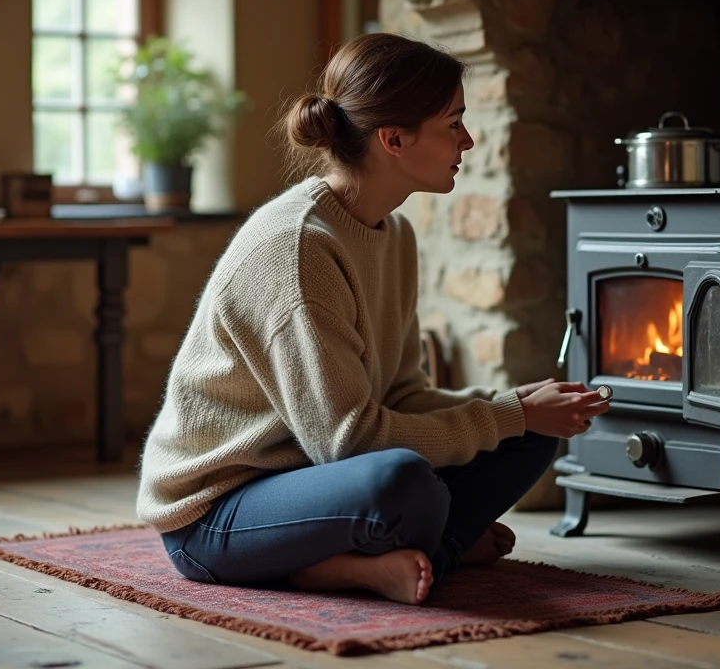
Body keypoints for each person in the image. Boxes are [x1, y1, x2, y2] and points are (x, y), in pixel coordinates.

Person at [136, 32, 609, 605]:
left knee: (529, 437)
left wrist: (517, 409)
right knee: (403, 484)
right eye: (453, 123)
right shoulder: (299, 248)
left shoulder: (394, 234)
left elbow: (404, 394)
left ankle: (412, 550)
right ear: (394, 139)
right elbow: (353, 444)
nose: (468, 139)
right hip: (218, 515)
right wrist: (503, 415)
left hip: (319, 478)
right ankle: (365, 564)